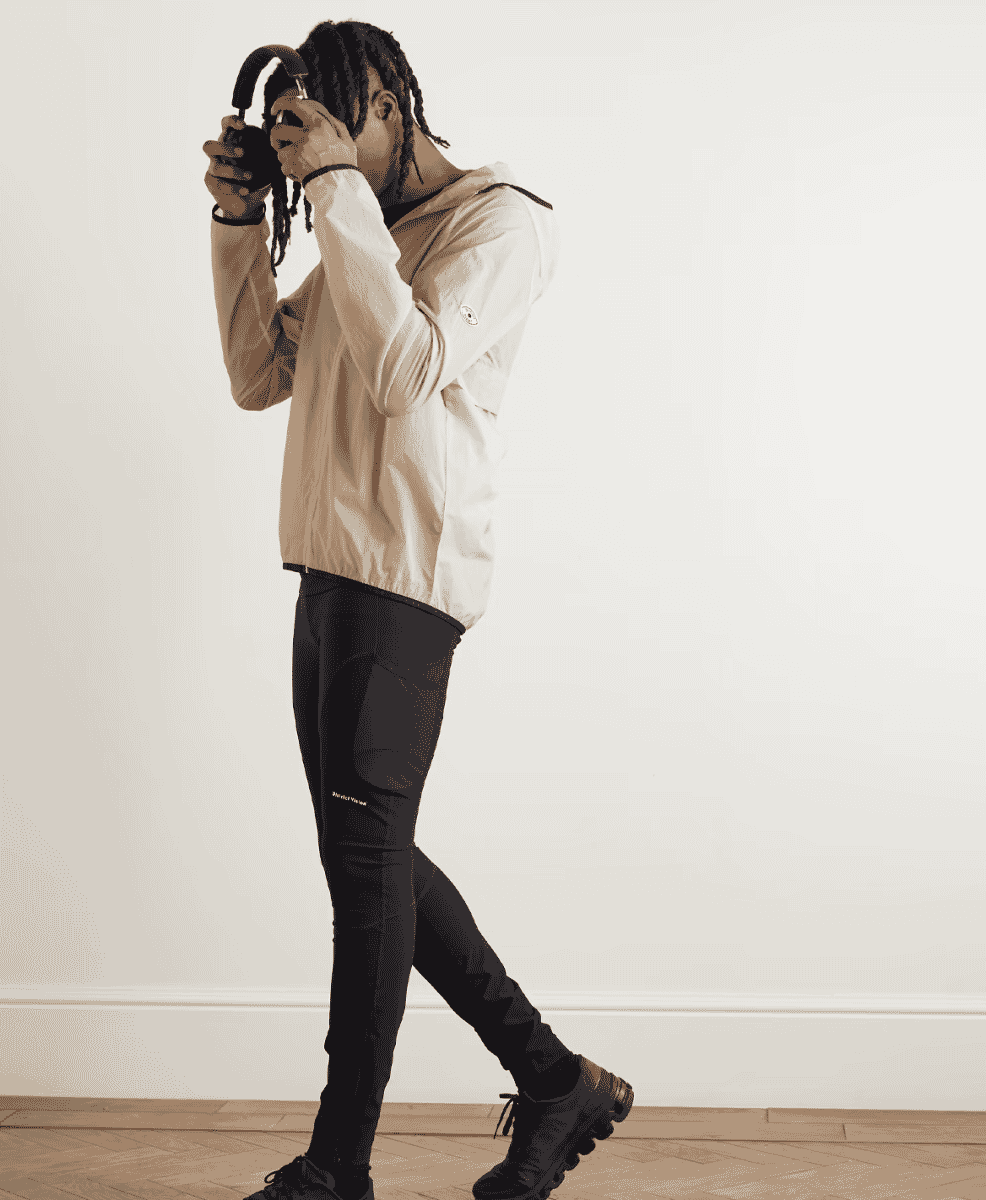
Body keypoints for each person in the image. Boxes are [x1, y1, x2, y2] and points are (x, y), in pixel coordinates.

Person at [203, 19, 632, 1200]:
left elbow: (405, 370)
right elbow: (256, 375)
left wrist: (334, 191)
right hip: (326, 570)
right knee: (368, 864)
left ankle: (338, 1165)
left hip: (407, 580)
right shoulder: (362, 234)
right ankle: (555, 1081)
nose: (322, 166)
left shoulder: (499, 222)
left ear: (391, 103)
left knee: (364, 866)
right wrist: (243, 219)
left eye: (337, 134)